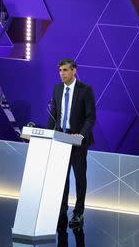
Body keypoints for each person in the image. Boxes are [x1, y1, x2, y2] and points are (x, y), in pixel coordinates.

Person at [47, 58, 96, 229]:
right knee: (62, 178)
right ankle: (62, 209)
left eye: (65, 70)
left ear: (74, 70)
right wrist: (47, 134)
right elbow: (54, 114)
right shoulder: (57, 88)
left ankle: (78, 213)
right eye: (60, 70)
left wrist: (81, 135)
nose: (62, 74)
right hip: (61, 138)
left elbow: (91, 117)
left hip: (78, 141)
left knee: (79, 178)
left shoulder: (85, 90)